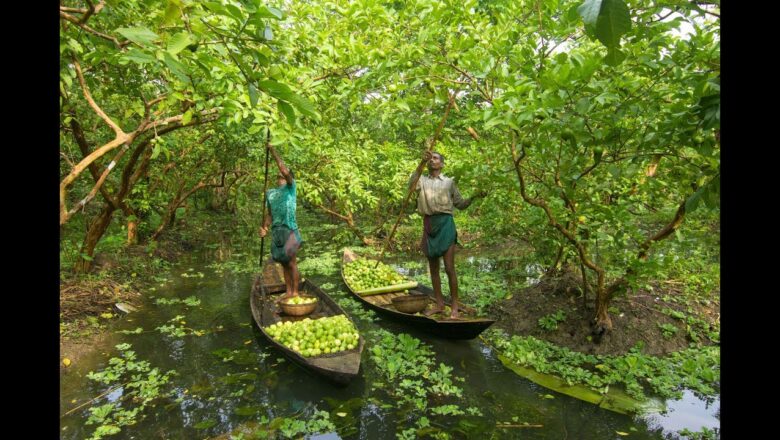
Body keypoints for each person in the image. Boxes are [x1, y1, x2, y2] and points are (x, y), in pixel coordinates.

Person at [409, 150, 486, 319]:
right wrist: (421, 163)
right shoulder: (422, 180)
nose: (432, 160)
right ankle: (439, 304)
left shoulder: (449, 182)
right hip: (429, 224)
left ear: (442, 164)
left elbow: (460, 204)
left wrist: (475, 196)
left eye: (435, 158)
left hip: (446, 225)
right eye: (430, 158)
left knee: (450, 268)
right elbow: (411, 185)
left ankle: (455, 306)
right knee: (434, 268)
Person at [259, 143, 303, 301]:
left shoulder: (291, 188)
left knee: (291, 262)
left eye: (283, 175)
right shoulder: (271, 193)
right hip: (277, 232)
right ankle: (289, 291)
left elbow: (284, 169)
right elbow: (269, 215)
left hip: (290, 229)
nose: (281, 176)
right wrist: (264, 227)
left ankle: (295, 292)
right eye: (278, 175)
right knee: (283, 263)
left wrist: (272, 150)